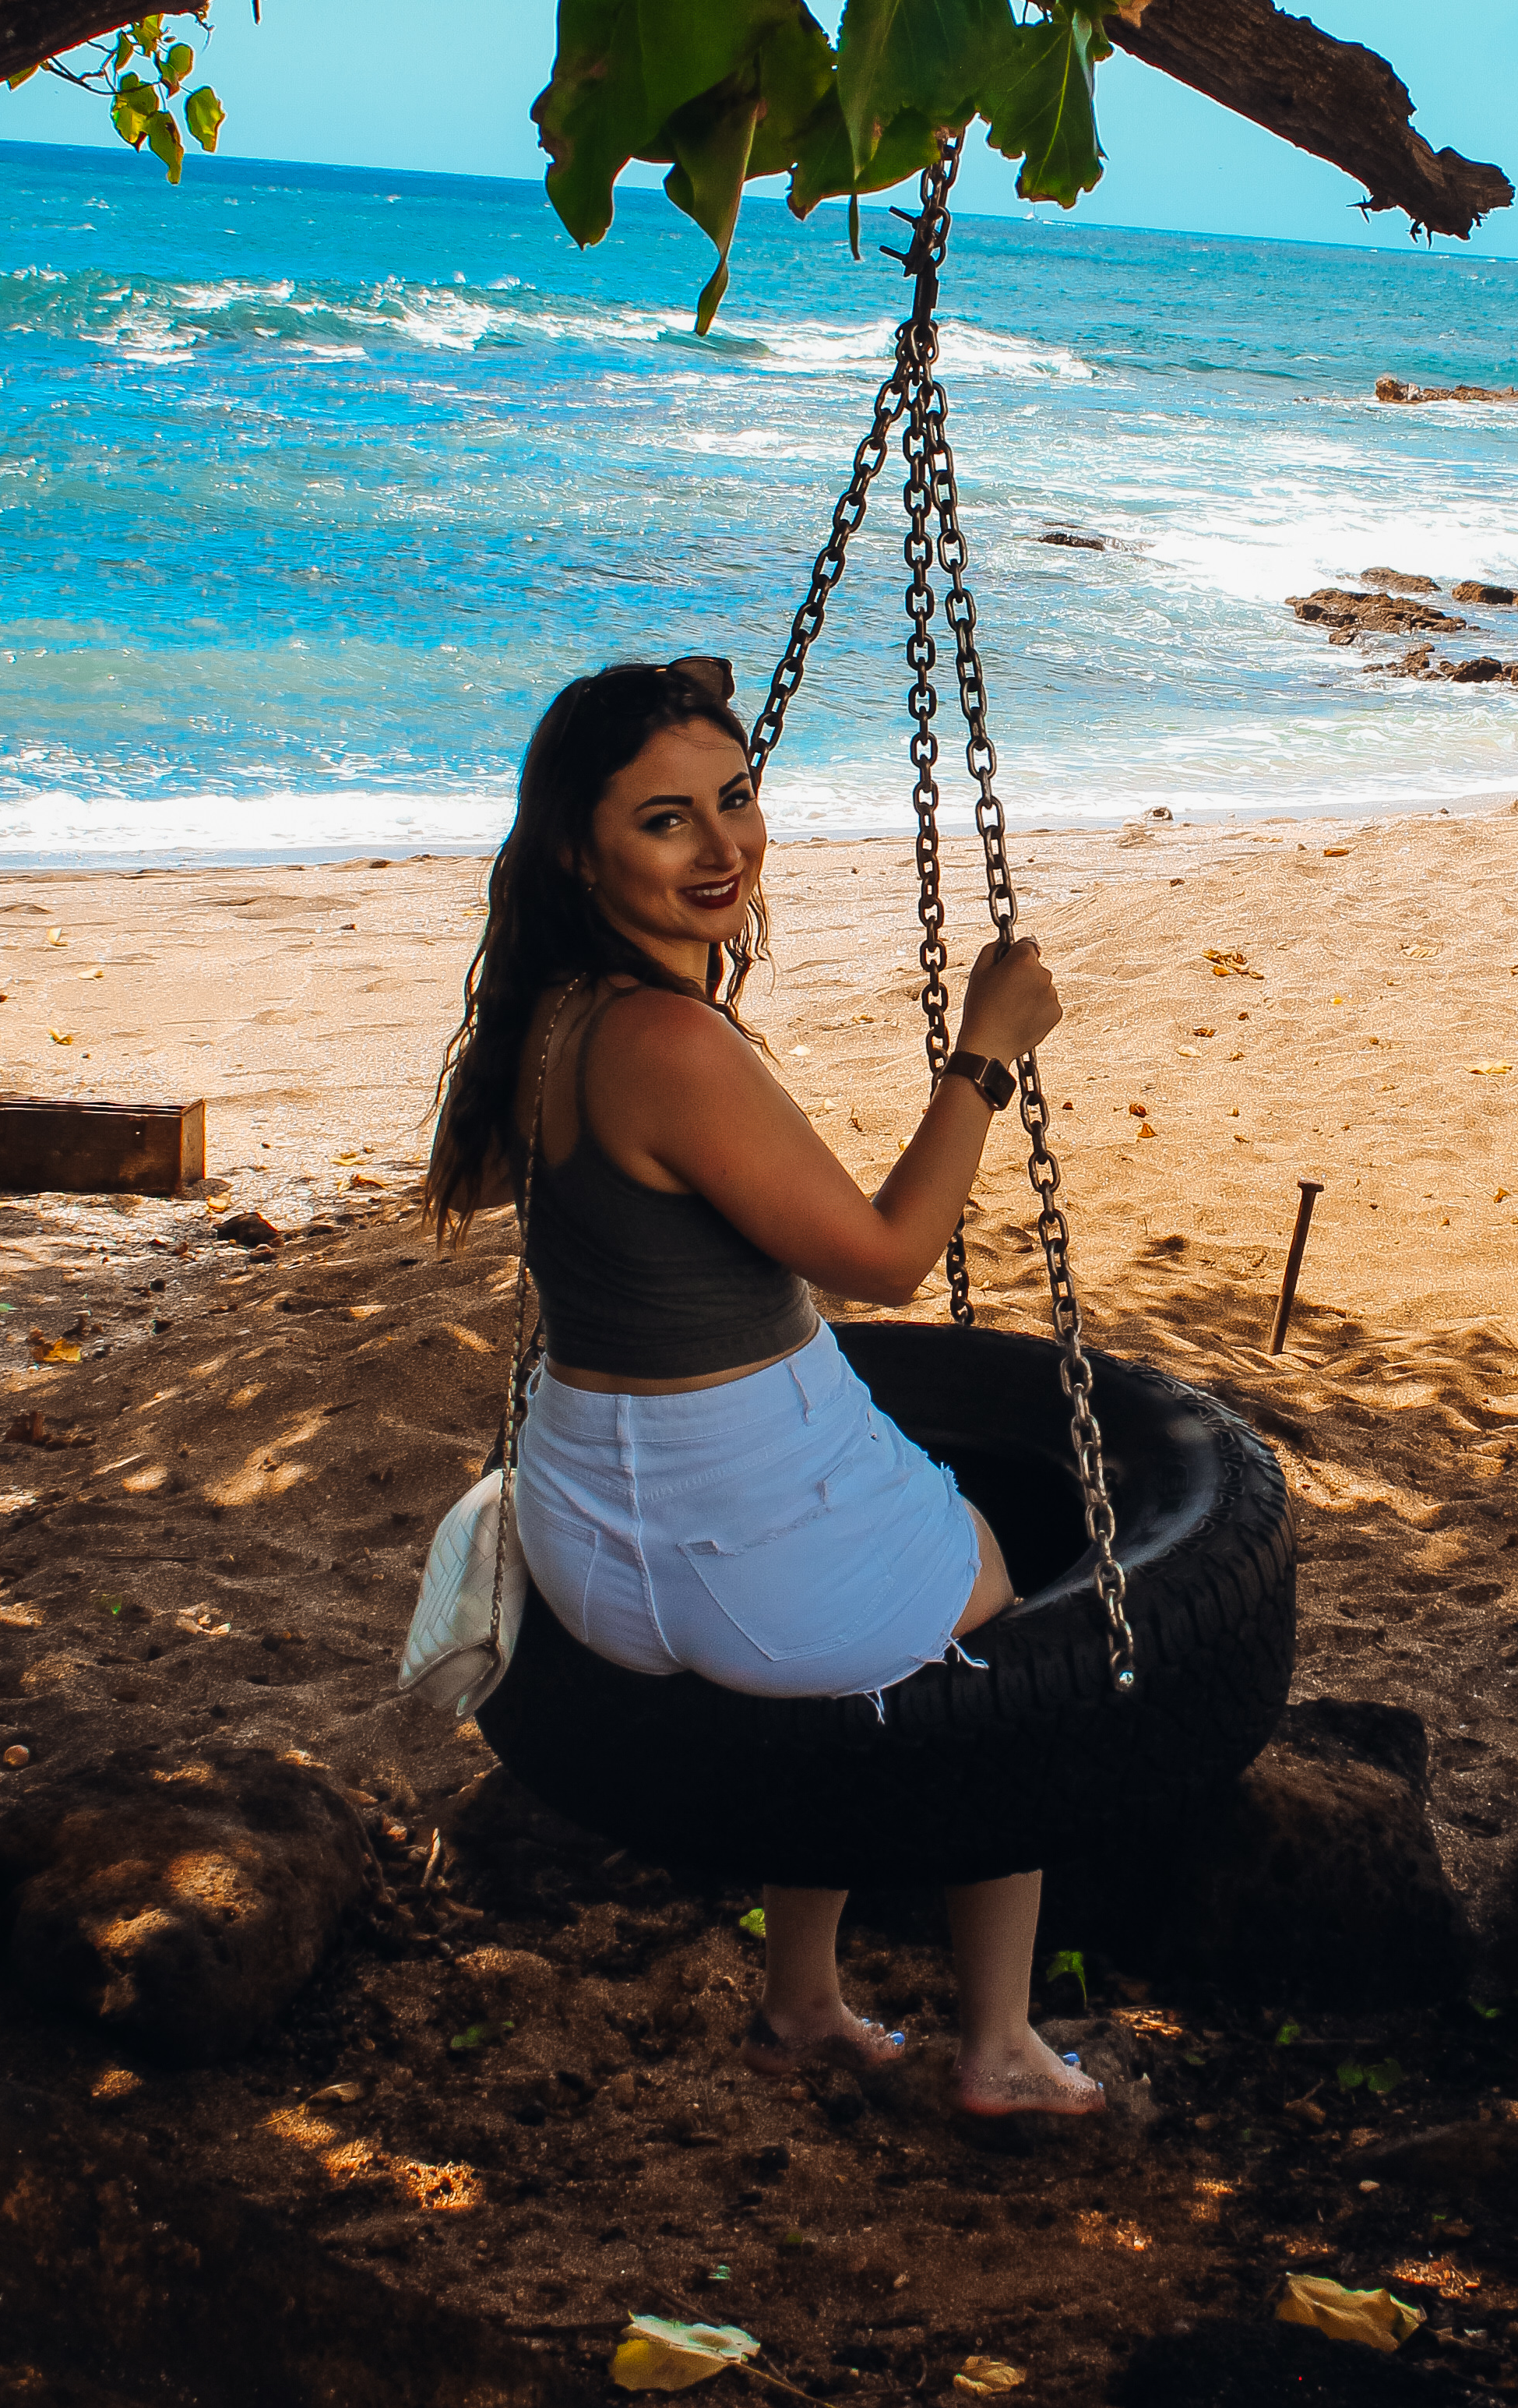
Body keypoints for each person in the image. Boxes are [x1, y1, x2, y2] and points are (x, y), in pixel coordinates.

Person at [425, 656, 1101, 2122]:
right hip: (741, 1549)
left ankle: (804, 1998)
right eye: (667, 820)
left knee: (856, 1548)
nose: (725, 846)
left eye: (737, 799)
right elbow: (887, 1259)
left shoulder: (547, 1010)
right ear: (576, 847)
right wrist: (984, 1056)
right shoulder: (665, 1037)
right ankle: (1000, 2049)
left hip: (593, 1540)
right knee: (1015, 1609)